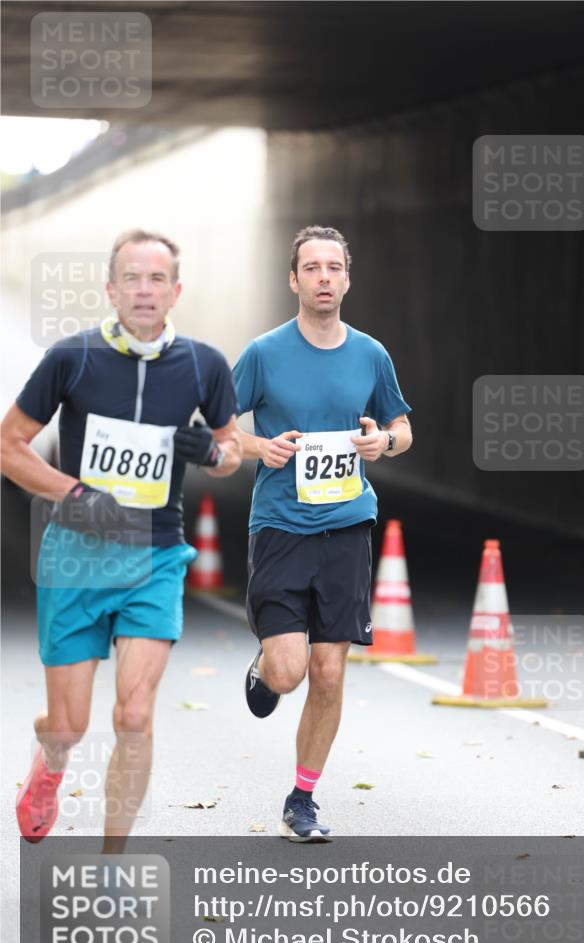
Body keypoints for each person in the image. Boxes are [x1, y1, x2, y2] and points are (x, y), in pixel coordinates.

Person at [1, 229, 241, 848]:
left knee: (134, 716)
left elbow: (233, 449)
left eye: (157, 278)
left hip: (156, 555)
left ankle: (112, 864)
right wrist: (73, 492)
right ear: (110, 288)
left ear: (175, 291)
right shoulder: (72, 358)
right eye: (131, 278)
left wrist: (212, 451)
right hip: (77, 555)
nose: (144, 289)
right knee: (70, 727)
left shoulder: (203, 364)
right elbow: (9, 447)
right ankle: (49, 763)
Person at [233, 225, 412, 842]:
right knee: (291, 671)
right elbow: (221, 431)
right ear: (294, 280)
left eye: (334, 267)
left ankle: (301, 800)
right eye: (312, 268)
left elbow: (401, 428)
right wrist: (262, 445)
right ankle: (264, 670)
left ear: (348, 278)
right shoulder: (263, 353)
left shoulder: (370, 354)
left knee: (330, 672)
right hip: (281, 526)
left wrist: (381, 442)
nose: (325, 278)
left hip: (347, 524)